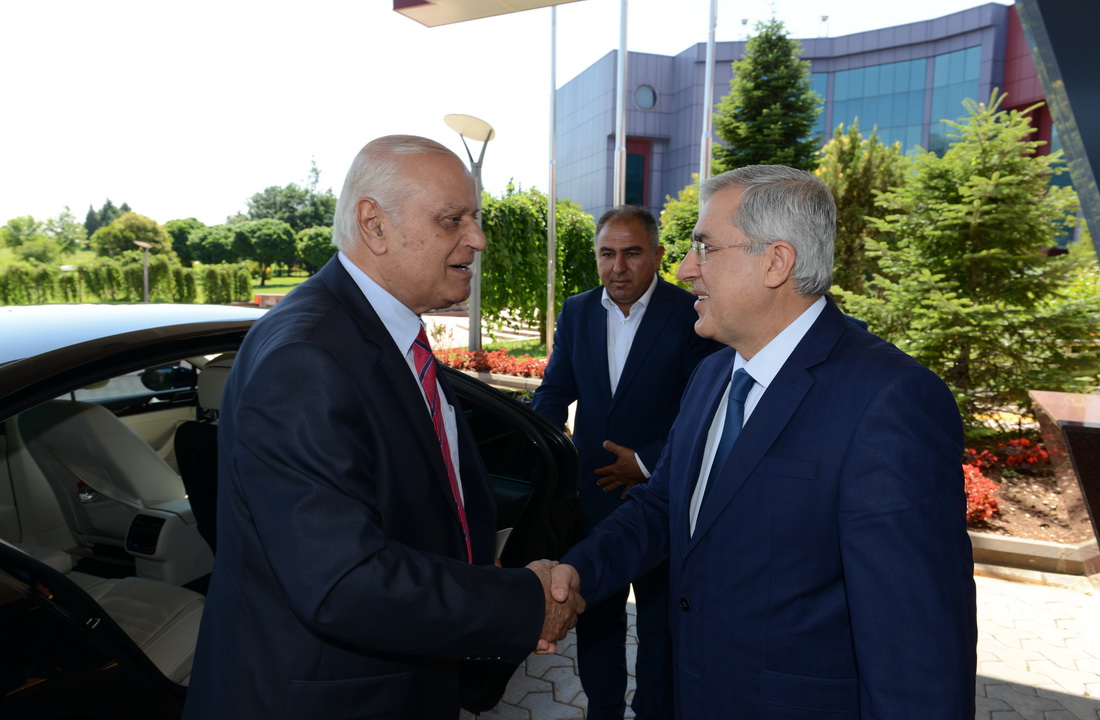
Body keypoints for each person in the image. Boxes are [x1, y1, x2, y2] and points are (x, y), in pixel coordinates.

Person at [551, 165, 977, 719]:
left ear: (776, 262)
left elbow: (916, 650)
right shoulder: (713, 375)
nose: (685, 269)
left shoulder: (889, 400)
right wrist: (576, 572)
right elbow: (663, 506)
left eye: (705, 248)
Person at [182, 135, 583, 720]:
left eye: (474, 217)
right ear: (374, 224)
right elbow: (342, 581)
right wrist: (521, 602)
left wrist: (478, 573)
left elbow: (410, 503)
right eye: (453, 220)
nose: (478, 238)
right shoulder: (307, 358)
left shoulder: (374, 331)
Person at [531, 206, 720, 720]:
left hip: (663, 503)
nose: (618, 267)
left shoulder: (692, 313)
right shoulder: (577, 311)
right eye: (607, 254)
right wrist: (540, 449)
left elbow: (703, 407)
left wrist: (647, 463)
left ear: (657, 255)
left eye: (632, 253)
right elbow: (554, 392)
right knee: (596, 623)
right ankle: (604, 710)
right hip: (592, 501)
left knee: (661, 631)